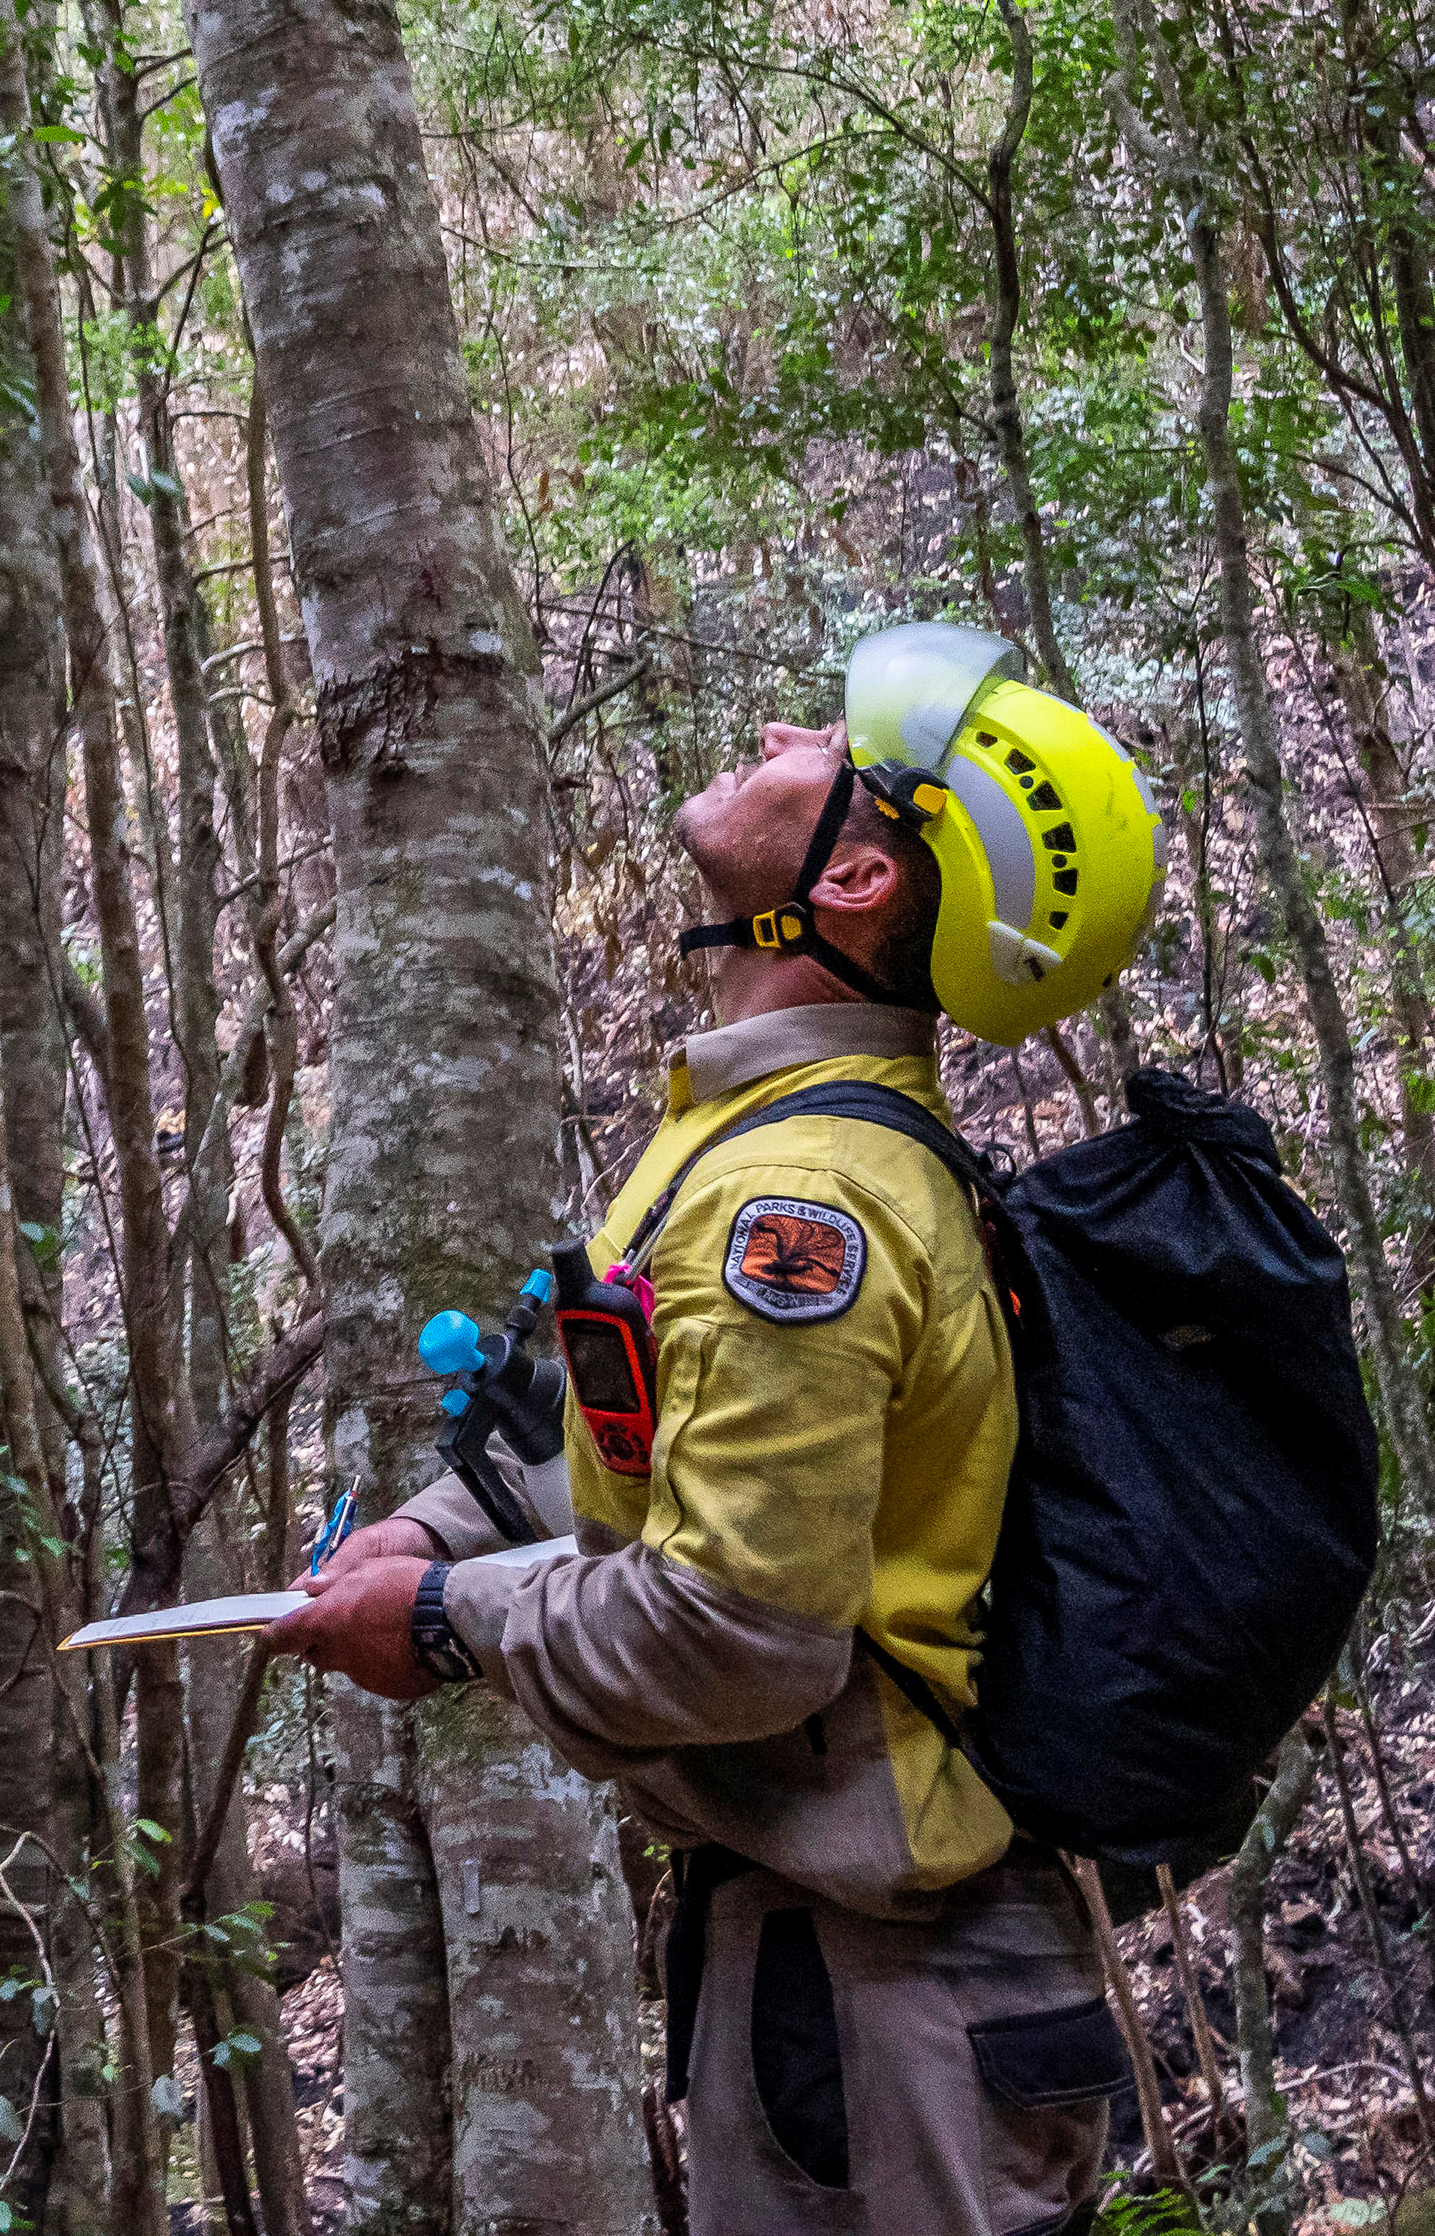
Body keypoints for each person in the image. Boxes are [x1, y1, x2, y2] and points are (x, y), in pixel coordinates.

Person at [265, 621, 1164, 2236]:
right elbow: (645, 1458)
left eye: (826, 747)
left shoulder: (795, 1202)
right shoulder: (757, 1137)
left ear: (859, 883)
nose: (770, 726)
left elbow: (742, 1627)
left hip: (893, 2014)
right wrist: (441, 1525)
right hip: (845, 1979)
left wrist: (449, 1619)